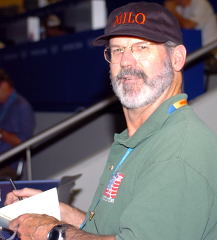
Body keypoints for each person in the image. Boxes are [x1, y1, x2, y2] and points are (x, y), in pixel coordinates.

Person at [5, 2, 217, 240]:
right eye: (117, 50)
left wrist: (50, 232)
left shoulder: (179, 151)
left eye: (141, 47)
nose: (126, 61)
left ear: (177, 58)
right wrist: (55, 212)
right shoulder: (138, 139)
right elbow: (115, 230)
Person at [0, 69, 35, 179]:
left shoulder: (21, 106)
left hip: (7, 165)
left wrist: (1, 134)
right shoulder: (3, 106)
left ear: (4, 85)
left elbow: (24, 142)